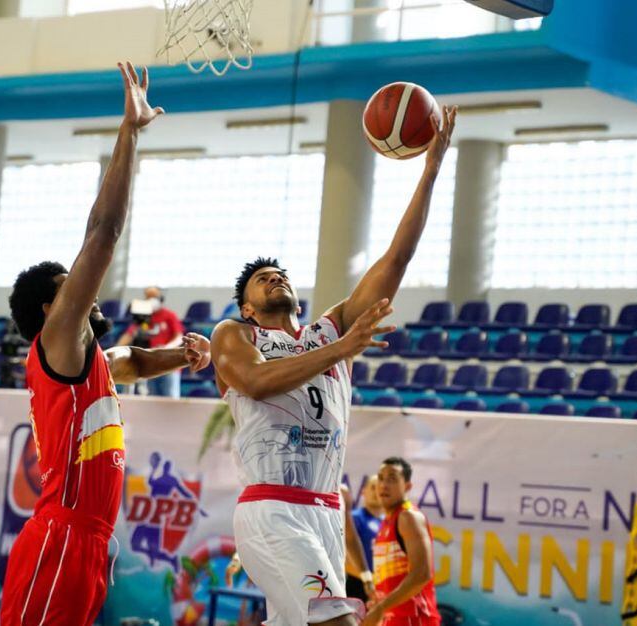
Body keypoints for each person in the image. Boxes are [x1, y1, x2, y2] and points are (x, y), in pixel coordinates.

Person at [211, 105, 457, 626]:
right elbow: (255, 382)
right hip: (273, 507)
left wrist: (430, 172)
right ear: (249, 307)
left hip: (326, 511)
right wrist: (343, 351)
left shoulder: (330, 327)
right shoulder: (235, 335)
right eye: (262, 279)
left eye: (281, 273)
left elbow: (396, 259)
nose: (275, 278)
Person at [0, 62, 211, 626]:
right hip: (61, 536)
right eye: (72, 286)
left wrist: (182, 354)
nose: (88, 289)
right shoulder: (58, 339)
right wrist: (130, 134)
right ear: (52, 310)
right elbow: (103, 233)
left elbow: (132, 361)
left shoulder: (87, 363)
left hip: (89, 541)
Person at [362, 457, 439, 626]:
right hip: (393, 619)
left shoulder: (408, 517)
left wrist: (381, 607)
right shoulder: (386, 521)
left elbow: (422, 574)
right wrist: (378, 599)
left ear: (407, 486)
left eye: (392, 479)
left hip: (414, 619)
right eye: (381, 478)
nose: (383, 484)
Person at [117, 286, 185, 397]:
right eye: (148, 297)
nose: (151, 299)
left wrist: (166, 348)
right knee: (153, 400)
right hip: (151, 364)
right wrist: (117, 348)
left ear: (160, 298)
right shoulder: (143, 317)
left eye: (153, 297)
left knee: (170, 400)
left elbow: (179, 337)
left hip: (169, 364)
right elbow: (129, 334)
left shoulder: (169, 315)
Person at [346, 476, 383, 604]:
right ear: (363, 491)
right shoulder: (354, 518)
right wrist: (369, 580)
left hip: (380, 590)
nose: (376, 492)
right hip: (357, 586)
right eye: (372, 487)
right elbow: (345, 561)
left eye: (379, 488)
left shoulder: (387, 522)